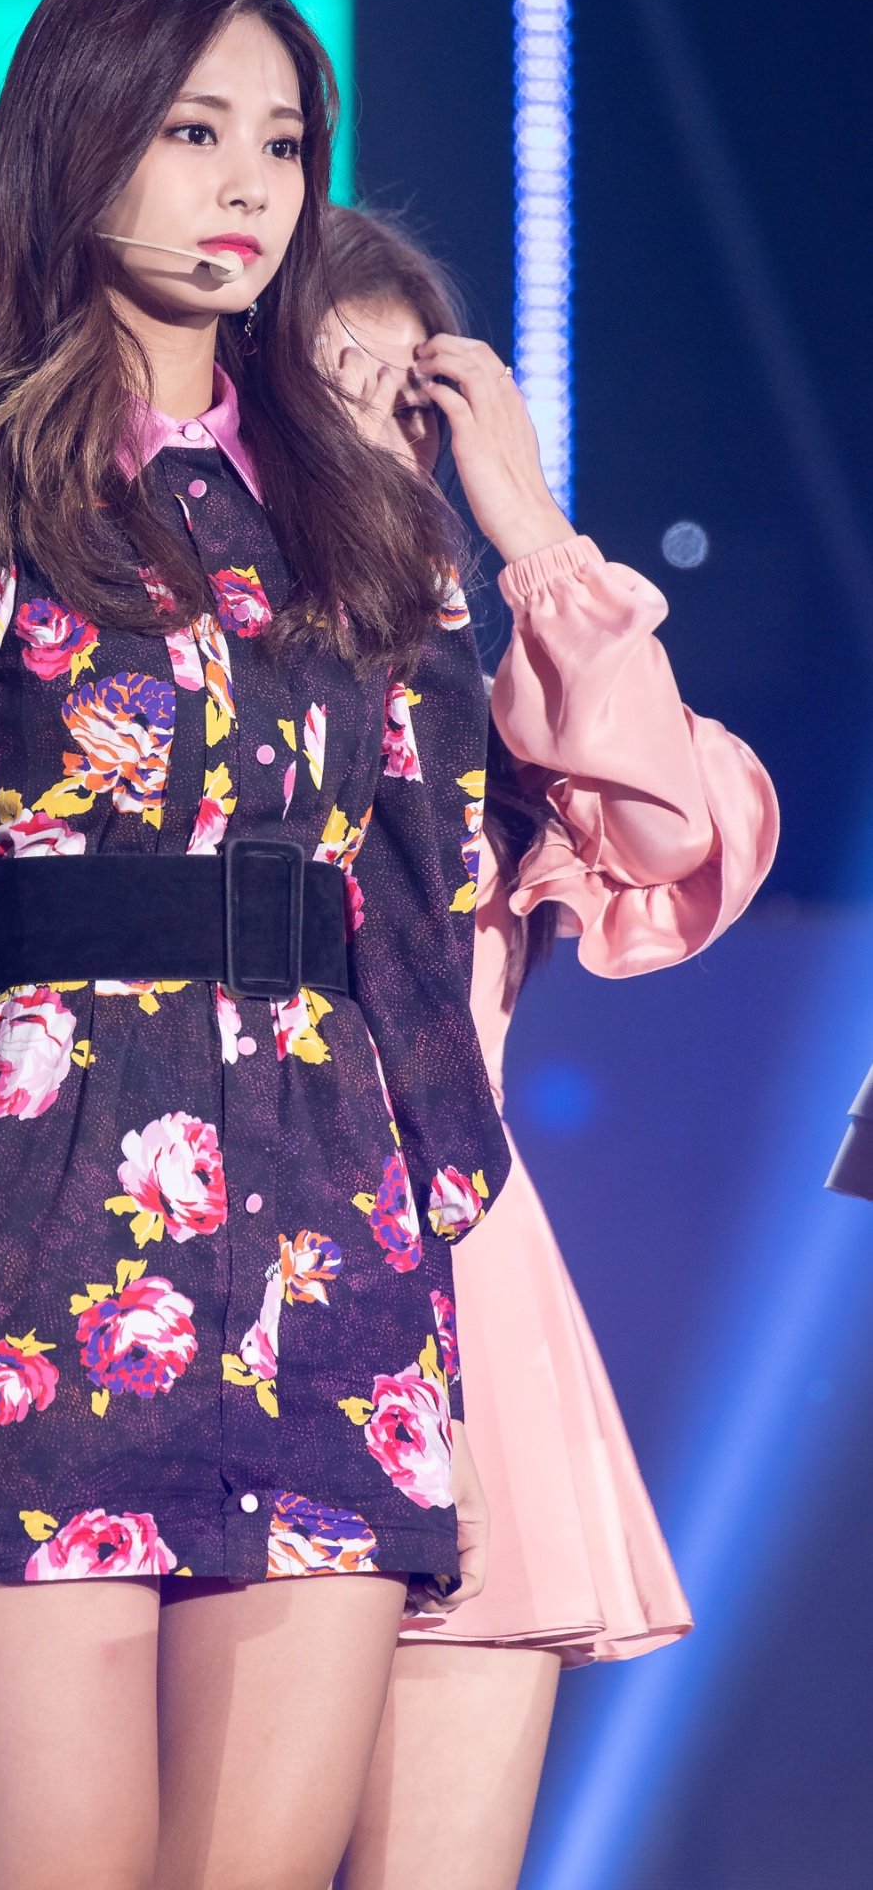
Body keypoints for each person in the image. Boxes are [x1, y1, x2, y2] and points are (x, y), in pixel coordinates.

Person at [0, 0, 520, 1890]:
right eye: (192, 133)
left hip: (330, 1241)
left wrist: (531, 540)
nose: (247, 185)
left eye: (281, 142)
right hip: (38, 1237)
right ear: (78, 139)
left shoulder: (361, 512)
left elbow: (446, 880)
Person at [312, 203, 780, 1890]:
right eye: (334, 381)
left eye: (412, 400)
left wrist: (528, 528)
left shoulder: (475, 688)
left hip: (466, 1291)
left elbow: (673, 837)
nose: (380, 430)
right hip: (220, 1262)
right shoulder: (160, 675)